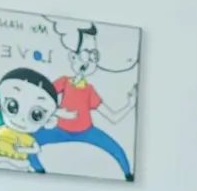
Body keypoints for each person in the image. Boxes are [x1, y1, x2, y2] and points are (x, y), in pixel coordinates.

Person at [30, 22, 137, 178]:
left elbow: (113, 117)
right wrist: (58, 112)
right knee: (29, 141)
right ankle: (39, 171)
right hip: (59, 130)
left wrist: (130, 105)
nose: (88, 61)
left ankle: (128, 174)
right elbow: (41, 100)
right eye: (85, 54)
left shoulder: (89, 90)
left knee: (116, 149)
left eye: (94, 56)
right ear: (73, 57)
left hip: (87, 131)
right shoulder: (64, 81)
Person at [0, 67, 61, 170]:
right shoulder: (2, 131)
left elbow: (36, 149)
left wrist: (23, 150)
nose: (22, 119)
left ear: (49, 122)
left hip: (19, 164)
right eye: (12, 106)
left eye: (36, 115)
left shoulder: (29, 140)